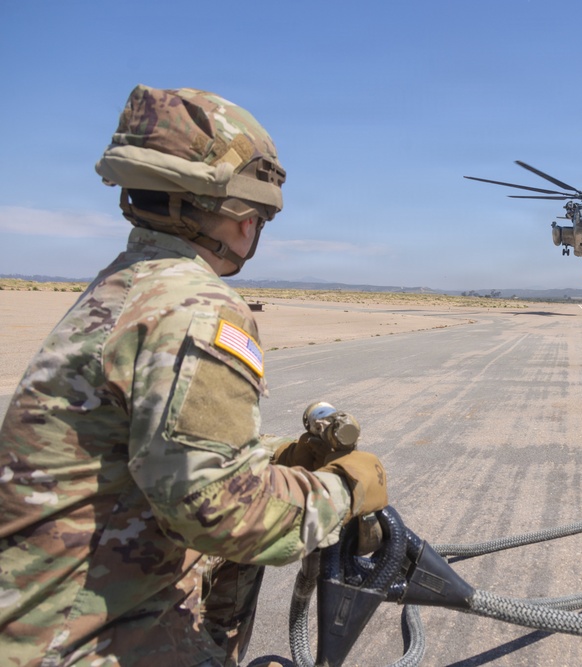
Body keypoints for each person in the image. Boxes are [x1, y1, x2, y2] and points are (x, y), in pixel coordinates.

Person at [0, 85, 388, 666]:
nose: (256, 228)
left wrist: (276, 456)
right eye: (258, 213)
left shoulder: (126, 285)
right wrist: (344, 489)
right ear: (233, 210)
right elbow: (223, 514)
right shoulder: (198, 306)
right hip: (92, 643)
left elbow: (150, 448)